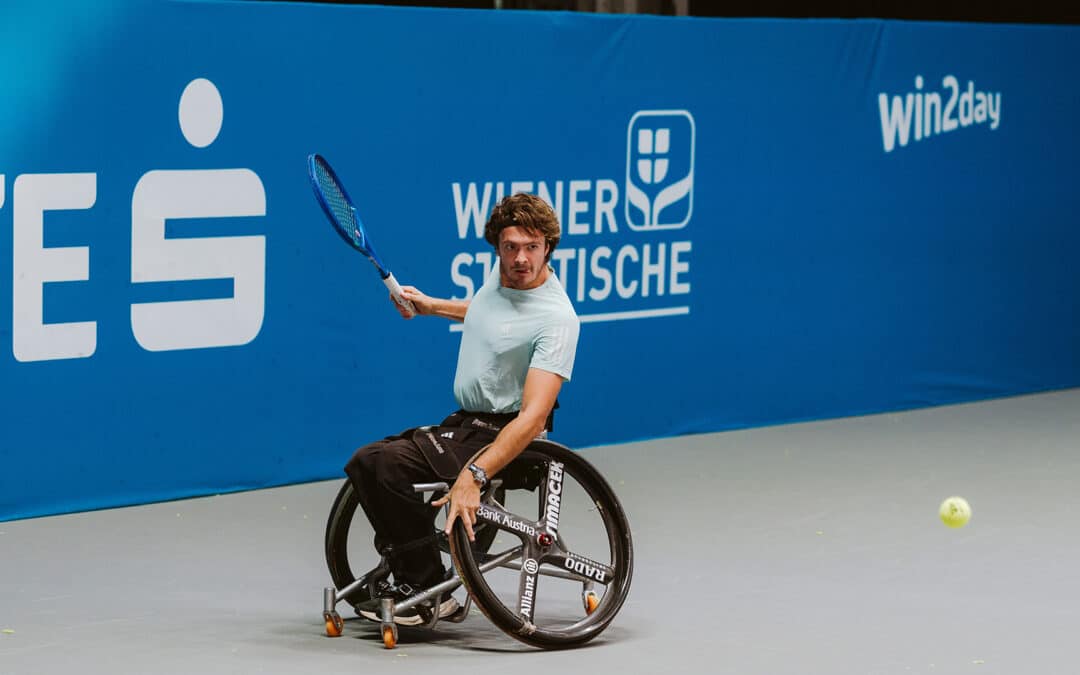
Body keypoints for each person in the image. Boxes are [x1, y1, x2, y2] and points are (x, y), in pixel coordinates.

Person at [345, 192, 580, 625]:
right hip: (465, 425)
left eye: (532, 247)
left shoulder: (557, 319)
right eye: (510, 247)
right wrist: (431, 306)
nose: (521, 259)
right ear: (497, 248)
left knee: (389, 466)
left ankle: (425, 588)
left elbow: (532, 419)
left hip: (507, 436)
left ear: (548, 246)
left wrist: (475, 476)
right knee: (366, 461)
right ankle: (415, 568)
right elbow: (490, 314)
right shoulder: (504, 277)